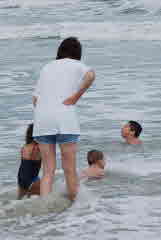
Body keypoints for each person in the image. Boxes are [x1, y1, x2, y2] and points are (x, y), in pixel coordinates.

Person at [33, 37, 95, 200]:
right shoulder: (76, 64)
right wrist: (76, 96)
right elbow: (91, 75)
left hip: (42, 121)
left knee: (47, 171)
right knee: (69, 169)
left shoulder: (47, 67)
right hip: (65, 120)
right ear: (77, 53)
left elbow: (35, 99)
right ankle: (74, 209)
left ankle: (44, 204)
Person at [17, 123, 41, 200]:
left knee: (19, 200)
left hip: (21, 178)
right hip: (32, 178)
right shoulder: (37, 148)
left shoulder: (24, 147)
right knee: (37, 201)